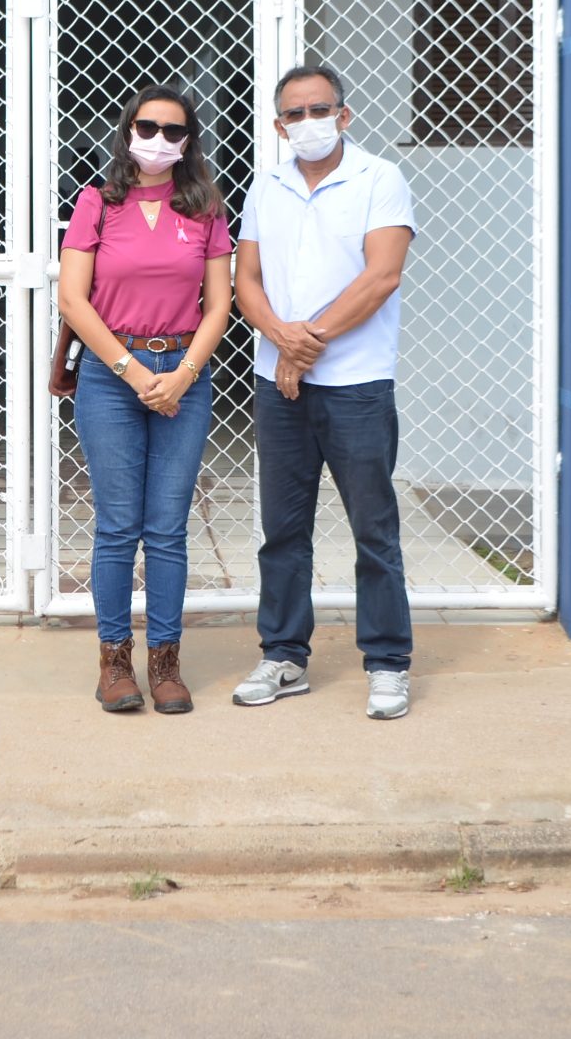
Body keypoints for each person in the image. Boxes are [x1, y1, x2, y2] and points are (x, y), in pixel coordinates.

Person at [230, 65, 418, 720]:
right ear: (280, 126)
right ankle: (283, 656)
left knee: (374, 531)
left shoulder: (379, 179)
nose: (306, 122)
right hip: (277, 386)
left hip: (356, 386)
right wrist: (281, 339)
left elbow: (382, 276)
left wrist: (304, 343)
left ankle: (388, 663)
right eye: (294, 114)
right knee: (282, 532)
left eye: (319, 109)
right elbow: (244, 278)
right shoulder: (268, 185)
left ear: (343, 115)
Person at [57, 84, 235, 714]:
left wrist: (183, 374)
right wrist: (134, 373)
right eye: (148, 127)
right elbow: (73, 299)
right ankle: (113, 662)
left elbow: (220, 305)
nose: (159, 140)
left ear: (188, 143)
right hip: (113, 376)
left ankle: (165, 661)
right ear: (128, 130)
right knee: (116, 528)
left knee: (166, 530)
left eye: (174, 132)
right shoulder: (96, 203)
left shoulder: (206, 207)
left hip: (183, 372)